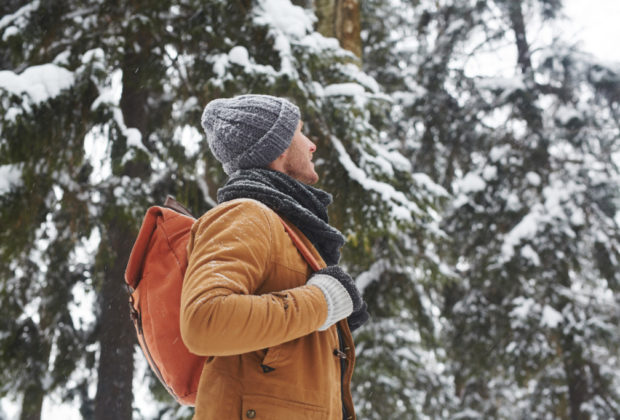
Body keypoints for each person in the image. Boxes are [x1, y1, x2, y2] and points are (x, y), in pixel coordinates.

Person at [180, 94, 369, 419]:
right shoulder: (244, 214)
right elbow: (203, 320)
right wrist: (322, 302)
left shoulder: (287, 227)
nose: (311, 145)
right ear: (278, 147)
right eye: (299, 132)